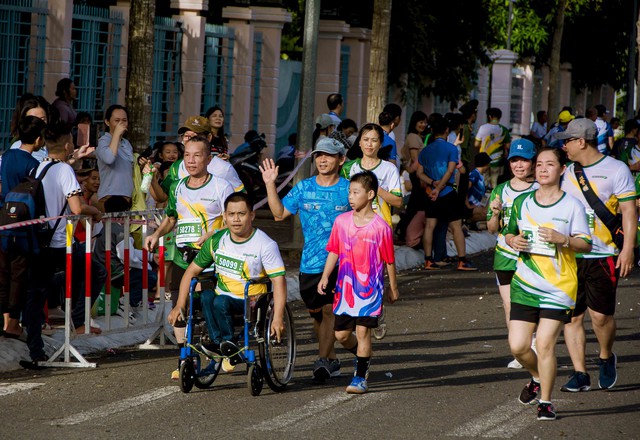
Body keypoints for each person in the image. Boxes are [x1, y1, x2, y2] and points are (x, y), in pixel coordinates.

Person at [504, 147, 592, 421]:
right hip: (525, 284)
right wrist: (512, 241)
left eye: (549, 164)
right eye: (539, 164)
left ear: (561, 169)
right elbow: (509, 233)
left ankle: (545, 402)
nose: (542, 169)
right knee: (518, 346)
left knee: (544, 344)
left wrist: (562, 239)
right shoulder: (523, 202)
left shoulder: (572, 205)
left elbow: (586, 244)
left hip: (559, 287)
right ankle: (537, 377)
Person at [556, 118, 637, 391]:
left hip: (602, 255)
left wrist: (627, 250)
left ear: (581, 142)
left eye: (567, 140)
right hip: (569, 255)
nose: (563, 146)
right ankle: (580, 373)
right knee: (573, 317)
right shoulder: (566, 172)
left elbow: (629, 211)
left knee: (600, 317)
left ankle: (605, 356)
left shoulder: (617, 169)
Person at [260, 137, 350, 380]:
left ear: (341, 160)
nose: (322, 159)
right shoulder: (303, 187)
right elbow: (279, 214)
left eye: (329, 155)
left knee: (330, 311)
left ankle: (321, 361)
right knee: (317, 315)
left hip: (342, 264)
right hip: (310, 264)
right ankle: (332, 359)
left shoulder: (348, 189)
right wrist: (270, 184)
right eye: (319, 155)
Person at [144, 136, 234, 378]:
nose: (191, 160)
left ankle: (217, 350)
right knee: (178, 307)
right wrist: (156, 234)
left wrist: (213, 232)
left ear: (208, 158)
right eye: (187, 156)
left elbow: (233, 220)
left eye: (197, 155)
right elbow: (172, 217)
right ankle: (185, 357)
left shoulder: (221, 187)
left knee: (207, 306)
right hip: (183, 257)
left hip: (210, 258)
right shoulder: (179, 186)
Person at [167, 192, 287, 361]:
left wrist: (278, 317)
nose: (236, 219)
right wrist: (180, 304)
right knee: (207, 296)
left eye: (241, 214)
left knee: (219, 301)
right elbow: (191, 272)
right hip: (222, 296)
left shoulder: (265, 244)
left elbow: (279, 282)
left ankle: (229, 343)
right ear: (224, 217)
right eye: (231, 214)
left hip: (251, 300)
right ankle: (218, 343)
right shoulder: (216, 240)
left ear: (252, 215)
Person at [317, 171, 399, 394]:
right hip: (345, 290)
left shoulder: (381, 227)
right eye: (349, 192)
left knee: (363, 333)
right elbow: (334, 250)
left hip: (370, 292)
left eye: (355, 192)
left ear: (370, 194)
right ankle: (363, 357)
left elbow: (389, 260)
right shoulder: (341, 222)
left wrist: (393, 287)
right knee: (341, 336)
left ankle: (360, 377)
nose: (350, 197)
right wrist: (325, 276)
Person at [486, 139, 538, 369]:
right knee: (510, 306)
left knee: (532, 303)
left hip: (534, 257)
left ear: (533, 162)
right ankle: (520, 351)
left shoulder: (540, 189)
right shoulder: (500, 190)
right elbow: (491, 228)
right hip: (505, 256)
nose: (519, 165)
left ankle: (534, 344)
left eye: (524, 160)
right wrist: (495, 213)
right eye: (515, 160)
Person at [0, 116, 46, 338]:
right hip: (23, 225)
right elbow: (37, 198)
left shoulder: (7, 156)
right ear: (38, 140)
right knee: (19, 275)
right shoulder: (33, 165)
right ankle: (13, 323)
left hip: (3, 219)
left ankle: (5, 320)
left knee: (3, 272)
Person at [417, 117, 477, 271]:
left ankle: (428, 260)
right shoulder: (451, 148)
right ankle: (462, 261)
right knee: (456, 226)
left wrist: (433, 183)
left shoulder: (424, 151)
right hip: (448, 191)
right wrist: (441, 186)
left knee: (430, 226)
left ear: (431, 131)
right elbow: (451, 170)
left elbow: (419, 173)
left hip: (431, 193)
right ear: (446, 131)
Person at [341, 123, 403, 227]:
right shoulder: (348, 168)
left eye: (374, 140)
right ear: (359, 142)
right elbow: (341, 197)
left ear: (381, 143)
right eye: (365, 140)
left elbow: (398, 202)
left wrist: (374, 187)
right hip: (352, 226)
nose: (369, 144)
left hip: (380, 227)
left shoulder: (389, 169)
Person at [396, 111, 428, 244]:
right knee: (415, 206)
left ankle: (403, 231)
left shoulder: (417, 136)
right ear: (414, 122)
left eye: (425, 122)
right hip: (416, 174)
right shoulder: (414, 137)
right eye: (421, 122)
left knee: (414, 205)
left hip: (417, 173)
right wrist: (420, 177)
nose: (423, 125)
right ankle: (403, 231)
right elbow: (415, 159)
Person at [96, 104, 133, 212]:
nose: (121, 124)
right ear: (107, 122)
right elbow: (109, 159)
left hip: (125, 197)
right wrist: (116, 134)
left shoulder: (126, 143)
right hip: (110, 197)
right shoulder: (103, 141)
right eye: (117, 120)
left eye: (124, 120)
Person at [475, 107, 510, 189]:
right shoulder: (504, 130)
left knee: (484, 183)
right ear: (499, 117)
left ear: (489, 116)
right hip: (497, 160)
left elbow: (476, 144)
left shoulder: (482, 128)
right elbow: (508, 146)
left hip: (483, 161)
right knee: (495, 183)